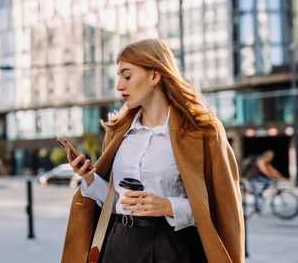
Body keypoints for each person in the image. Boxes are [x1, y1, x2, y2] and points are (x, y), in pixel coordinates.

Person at [61, 39, 244, 263]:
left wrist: (168, 206)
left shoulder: (203, 132)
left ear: (154, 76)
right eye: (119, 77)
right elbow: (115, 200)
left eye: (127, 76)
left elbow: (218, 206)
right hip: (118, 244)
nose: (119, 86)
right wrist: (89, 177)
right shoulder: (118, 131)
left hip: (170, 247)